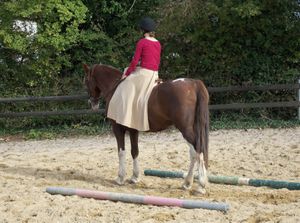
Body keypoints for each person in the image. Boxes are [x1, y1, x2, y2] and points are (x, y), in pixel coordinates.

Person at [107, 17, 161, 131]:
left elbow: (135, 60)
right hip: (155, 74)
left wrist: (126, 73)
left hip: (144, 74)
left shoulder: (142, 42)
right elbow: (155, 61)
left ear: (143, 30)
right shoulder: (158, 43)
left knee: (126, 85)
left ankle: (126, 117)